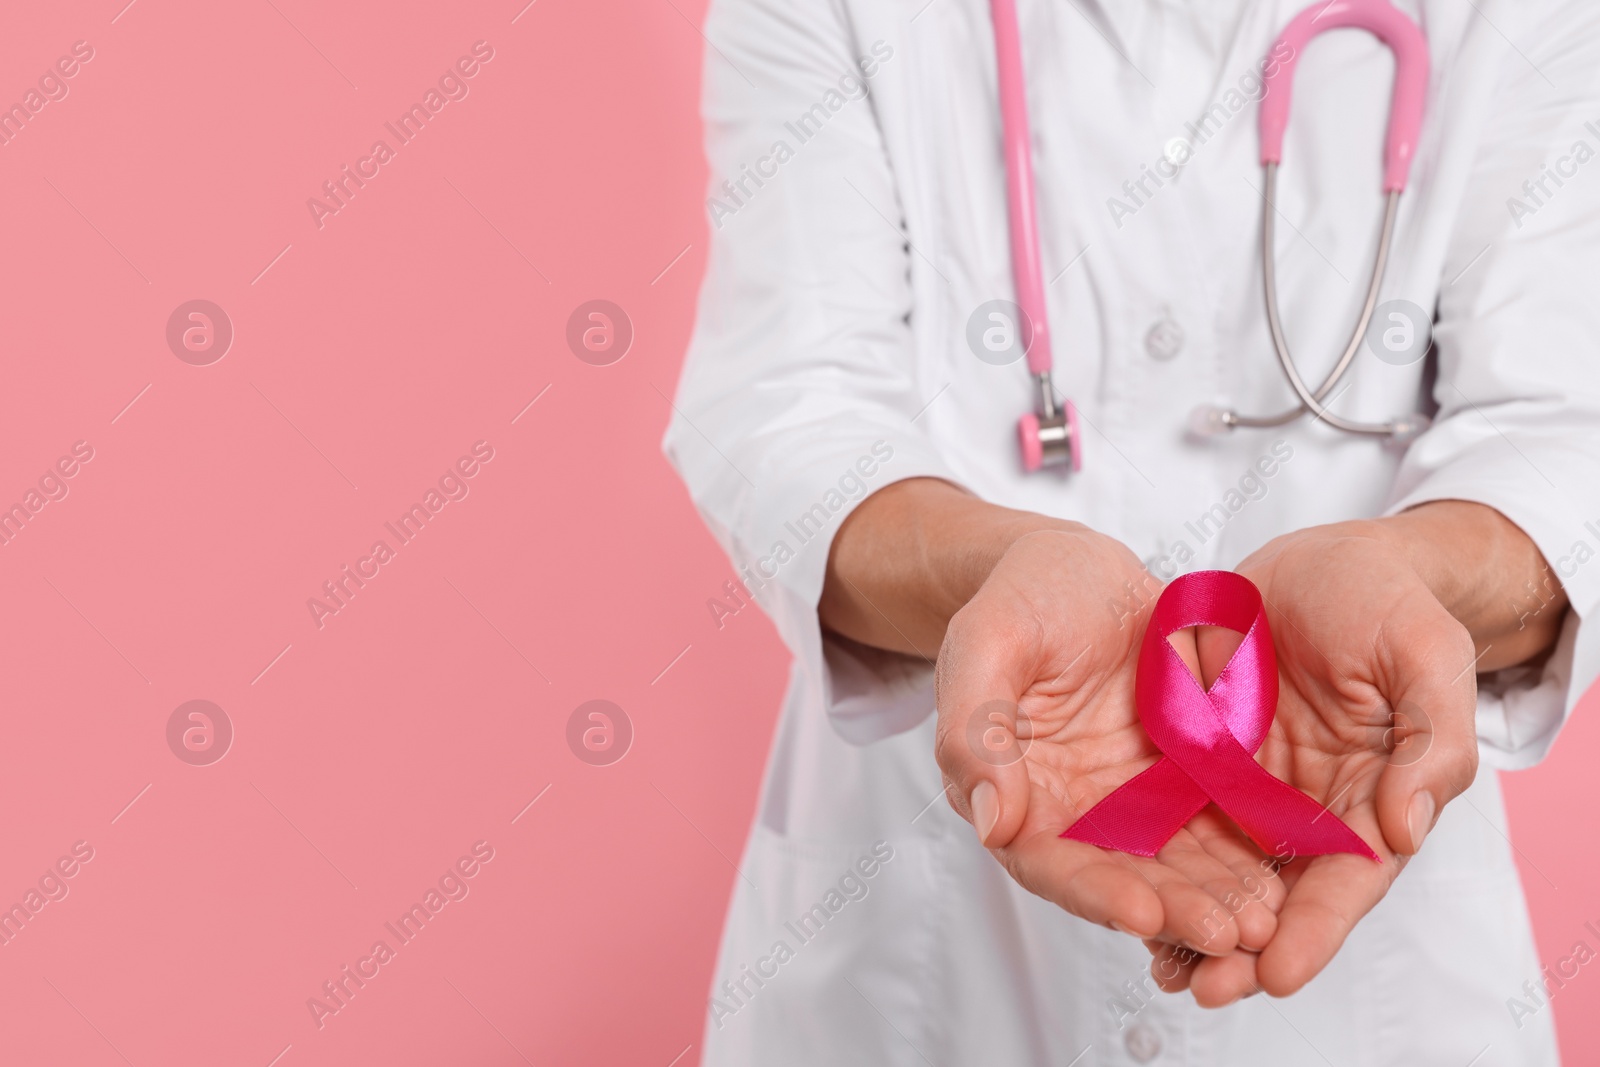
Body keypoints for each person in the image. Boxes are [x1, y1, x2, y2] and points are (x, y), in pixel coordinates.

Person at [664, 0, 1600, 1063]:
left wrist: (1408, 577)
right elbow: (782, 407)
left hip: (1377, 973)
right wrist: (995, 574)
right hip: (916, 971)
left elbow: (1567, 432)